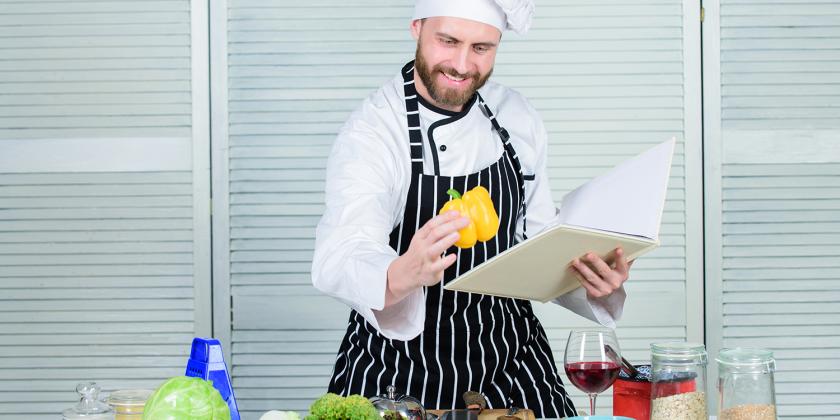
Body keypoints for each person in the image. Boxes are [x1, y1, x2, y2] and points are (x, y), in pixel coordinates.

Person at [311, 0, 633, 416]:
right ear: (417, 28)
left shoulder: (515, 117)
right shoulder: (374, 130)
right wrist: (400, 273)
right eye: (448, 41)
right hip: (399, 372)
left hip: (510, 363)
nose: (462, 65)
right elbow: (344, 249)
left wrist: (594, 281)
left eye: (481, 48)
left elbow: (539, 241)